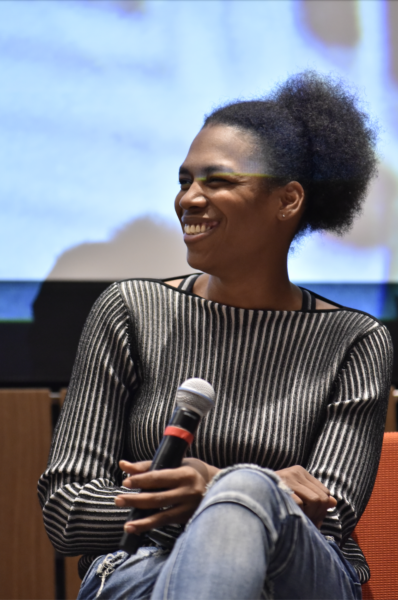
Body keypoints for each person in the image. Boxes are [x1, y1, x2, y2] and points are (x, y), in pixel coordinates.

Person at [38, 71, 392, 600]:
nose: (188, 199)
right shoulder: (131, 311)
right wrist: (221, 494)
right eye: (184, 181)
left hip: (297, 580)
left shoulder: (354, 340)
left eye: (218, 181)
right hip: (145, 571)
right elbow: (67, 512)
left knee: (247, 488)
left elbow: (328, 513)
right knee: (248, 489)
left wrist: (219, 486)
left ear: (287, 201)